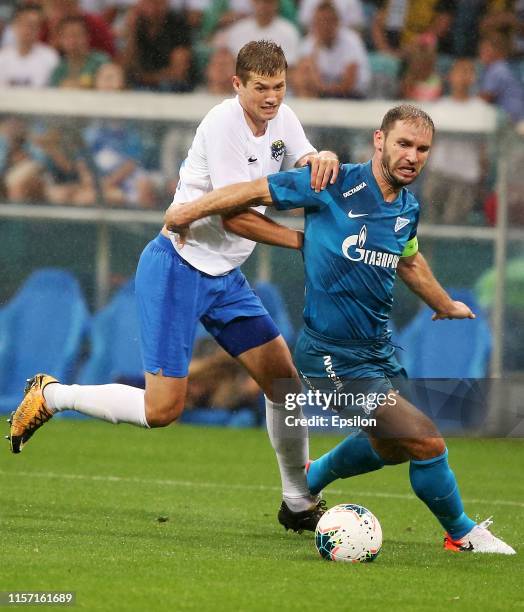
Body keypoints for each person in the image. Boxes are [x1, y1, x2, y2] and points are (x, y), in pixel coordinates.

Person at [8, 41, 339, 534]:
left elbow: (305, 157)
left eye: (279, 87)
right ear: (237, 85)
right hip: (177, 267)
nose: (272, 98)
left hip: (225, 278)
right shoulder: (222, 124)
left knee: (285, 385)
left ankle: (297, 502)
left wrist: (322, 156)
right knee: (162, 410)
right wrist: (302, 242)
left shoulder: (283, 118)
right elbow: (234, 215)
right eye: (261, 88)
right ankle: (54, 394)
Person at [163, 104, 516, 554]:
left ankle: (306, 482)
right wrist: (187, 210)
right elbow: (250, 191)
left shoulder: (408, 207)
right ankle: (461, 534)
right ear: (379, 140)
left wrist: (444, 304)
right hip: (330, 355)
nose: (412, 155)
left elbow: (408, 259)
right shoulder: (331, 183)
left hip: (378, 351)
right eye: (403, 144)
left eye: (422, 148)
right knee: (427, 441)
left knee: (392, 448)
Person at [0, 3, 59, 88]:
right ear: (14, 26)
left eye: (33, 25)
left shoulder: (50, 57)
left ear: (40, 29)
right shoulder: (2, 57)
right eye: (23, 23)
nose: (27, 29)